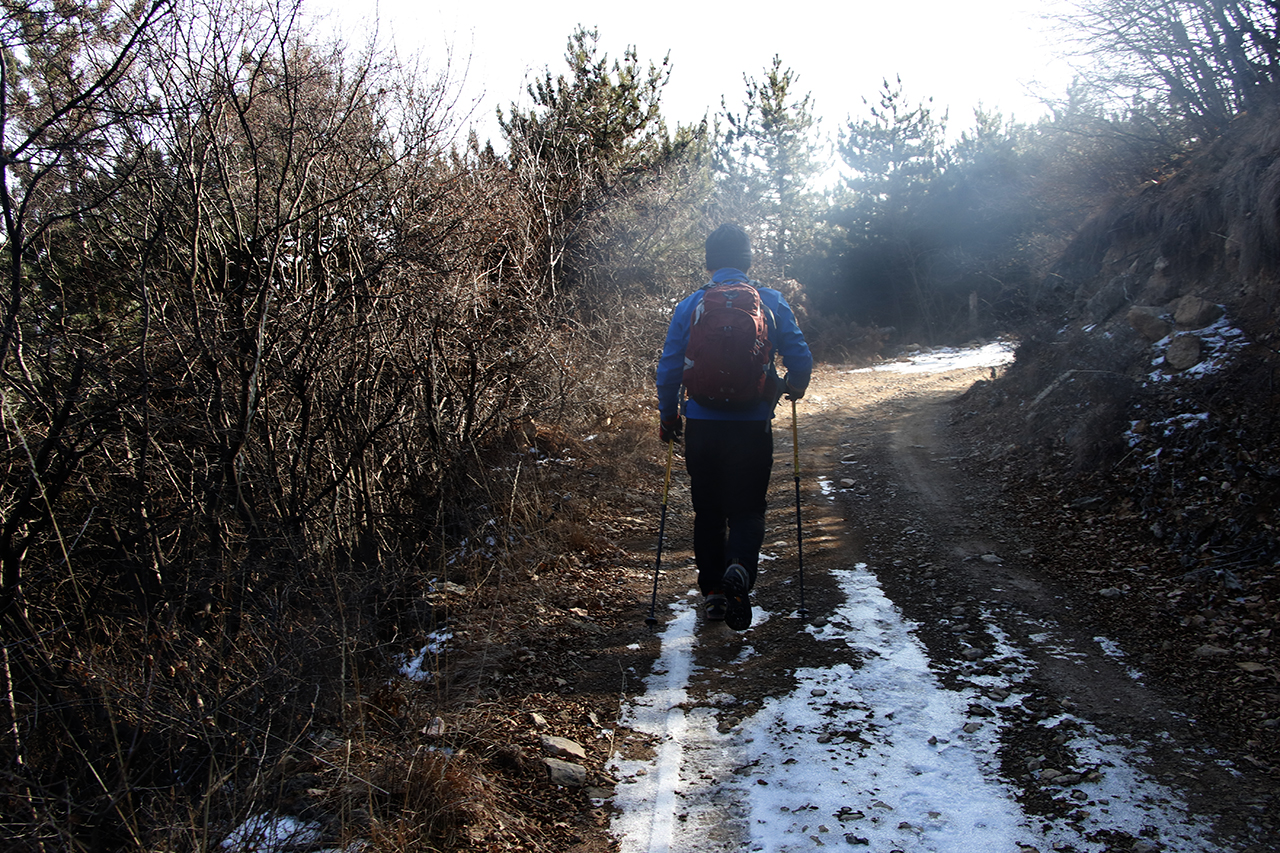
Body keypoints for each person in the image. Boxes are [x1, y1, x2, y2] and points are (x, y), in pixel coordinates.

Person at [655, 224, 813, 630]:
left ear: (710, 262)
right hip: (751, 427)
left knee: (708, 512)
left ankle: (712, 596)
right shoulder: (772, 301)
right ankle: (740, 567)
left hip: (703, 427)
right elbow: (801, 359)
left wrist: (669, 417)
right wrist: (793, 387)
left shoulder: (690, 305)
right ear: (747, 260)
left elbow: (669, 369)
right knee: (747, 509)